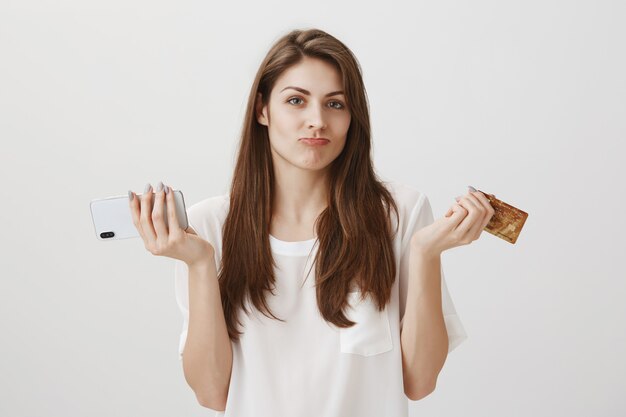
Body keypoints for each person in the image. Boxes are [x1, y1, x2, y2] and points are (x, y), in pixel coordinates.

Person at [128, 28, 495, 417]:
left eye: (335, 104)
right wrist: (199, 264)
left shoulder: (400, 212)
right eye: (296, 101)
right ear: (262, 110)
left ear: (354, 116)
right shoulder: (207, 225)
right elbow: (212, 393)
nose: (317, 121)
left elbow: (419, 382)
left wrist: (424, 254)